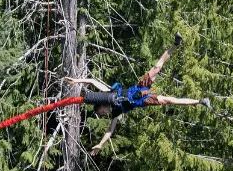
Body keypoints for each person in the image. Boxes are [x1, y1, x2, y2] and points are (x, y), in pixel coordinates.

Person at [68, 34, 210, 155]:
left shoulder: (108, 93)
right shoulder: (116, 111)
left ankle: (175, 43)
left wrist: (77, 80)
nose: (103, 114)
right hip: (144, 99)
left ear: (101, 106)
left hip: (140, 87)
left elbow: (93, 81)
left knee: (158, 66)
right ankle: (200, 101)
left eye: (101, 112)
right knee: (169, 100)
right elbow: (110, 130)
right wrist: (101, 144)